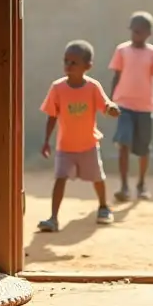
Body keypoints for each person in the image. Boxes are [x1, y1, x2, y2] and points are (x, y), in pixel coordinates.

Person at [37, 40, 122, 232]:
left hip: (88, 145)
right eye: (66, 61)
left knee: (97, 178)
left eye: (73, 62)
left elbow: (105, 105)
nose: (68, 65)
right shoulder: (57, 88)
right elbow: (52, 115)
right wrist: (46, 142)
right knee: (60, 179)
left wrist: (111, 109)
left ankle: (103, 207)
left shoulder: (92, 87)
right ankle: (53, 218)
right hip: (64, 147)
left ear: (88, 66)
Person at [108, 11, 153, 202]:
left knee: (144, 149)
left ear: (148, 33)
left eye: (140, 31)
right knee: (123, 144)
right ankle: (123, 186)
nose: (136, 35)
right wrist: (110, 102)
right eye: (134, 31)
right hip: (123, 106)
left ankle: (141, 183)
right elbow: (116, 77)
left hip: (145, 108)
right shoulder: (122, 50)